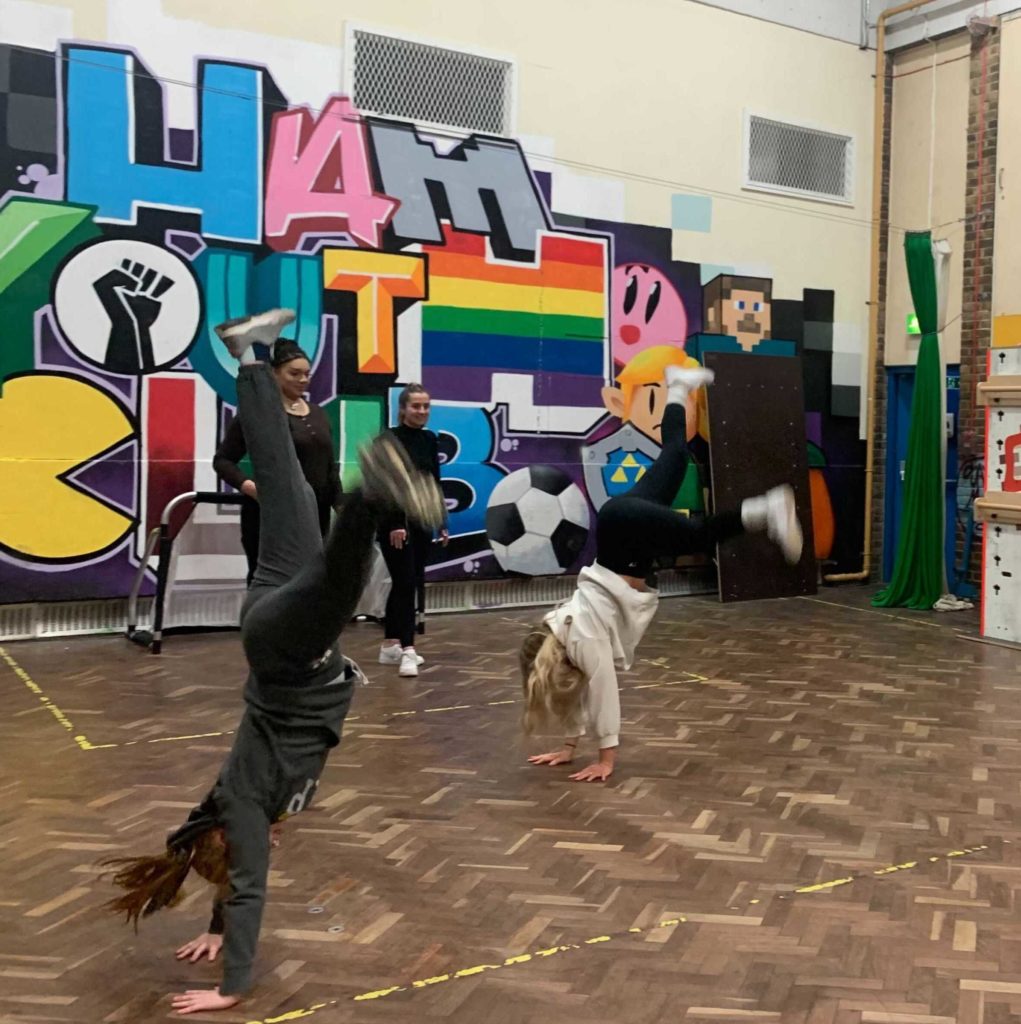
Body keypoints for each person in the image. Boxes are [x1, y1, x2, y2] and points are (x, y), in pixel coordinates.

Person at [100, 309, 445, 1016]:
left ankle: (374, 494)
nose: (270, 843)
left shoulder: (246, 807)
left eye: (252, 843)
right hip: (269, 608)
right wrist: (210, 927)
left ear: (232, 836)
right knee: (286, 485)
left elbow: (247, 884)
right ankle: (249, 357)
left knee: (336, 588)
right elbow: (210, 854)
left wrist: (230, 984)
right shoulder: (229, 807)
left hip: (289, 655)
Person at [520, 364, 803, 783]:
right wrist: (567, 748)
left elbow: (602, 695)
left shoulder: (579, 638)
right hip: (621, 535)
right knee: (675, 455)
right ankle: (677, 388)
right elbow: (576, 697)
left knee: (696, 535)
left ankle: (767, 509)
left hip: (626, 536)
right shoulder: (562, 639)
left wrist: (606, 760)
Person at [213, 340, 341, 586]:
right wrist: (250, 487)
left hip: (315, 514)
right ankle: (260, 624)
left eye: (307, 374)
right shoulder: (259, 415)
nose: (303, 380)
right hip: (271, 514)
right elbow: (223, 460)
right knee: (273, 581)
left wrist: (340, 506)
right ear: (274, 373)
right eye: (294, 373)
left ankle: (304, 625)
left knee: (312, 581)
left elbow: (329, 466)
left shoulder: (318, 413)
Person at [376, 383, 449, 678]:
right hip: (396, 524)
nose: (422, 411)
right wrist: (395, 522)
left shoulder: (430, 439)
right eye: (416, 406)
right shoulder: (389, 439)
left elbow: (433, 481)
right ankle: (408, 649)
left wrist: (441, 519)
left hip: (420, 523)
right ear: (403, 409)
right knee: (405, 583)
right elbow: (385, 486)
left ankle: (389, 645)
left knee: (408, 582)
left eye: (426, 406)